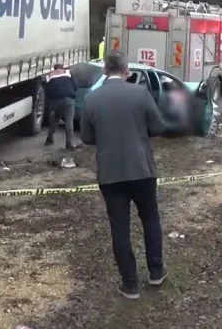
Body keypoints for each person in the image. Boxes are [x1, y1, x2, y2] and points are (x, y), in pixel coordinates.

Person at [79, 52, 168, 300]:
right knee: (150, 218)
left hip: (110, 173)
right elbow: (159, 127)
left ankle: (130, 284)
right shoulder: (140, 93)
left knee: (120, 228)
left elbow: (86, 137)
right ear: (127, 70)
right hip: (142, 169)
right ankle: (156, 271)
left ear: (106, 70)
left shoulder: (92, 99)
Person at [44, 64, 77, 150]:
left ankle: (49, 138)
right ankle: (69, 144)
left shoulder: (50, 76)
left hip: (56, 101)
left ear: (54, 69)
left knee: (55, 120)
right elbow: (75, 86)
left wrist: (52, 100)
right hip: (69, 100)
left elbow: (47, 91)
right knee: (69, 121)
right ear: (62, 68)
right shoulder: (68, 73)